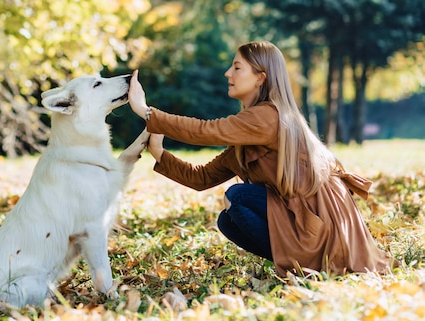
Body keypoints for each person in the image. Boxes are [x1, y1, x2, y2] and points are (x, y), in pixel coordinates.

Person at [128, 40, 394, 276]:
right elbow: (202, 178)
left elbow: (206, 130)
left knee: (238, 197)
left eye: (237, 67)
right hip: (307, 217)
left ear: (260, 78)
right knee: (227, 221)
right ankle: (301, 264)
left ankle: (312, 262)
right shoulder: (250, 131)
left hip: (324, 219)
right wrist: (160, 153)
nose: (227, 73)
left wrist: (147, 112)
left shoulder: (267, 116)